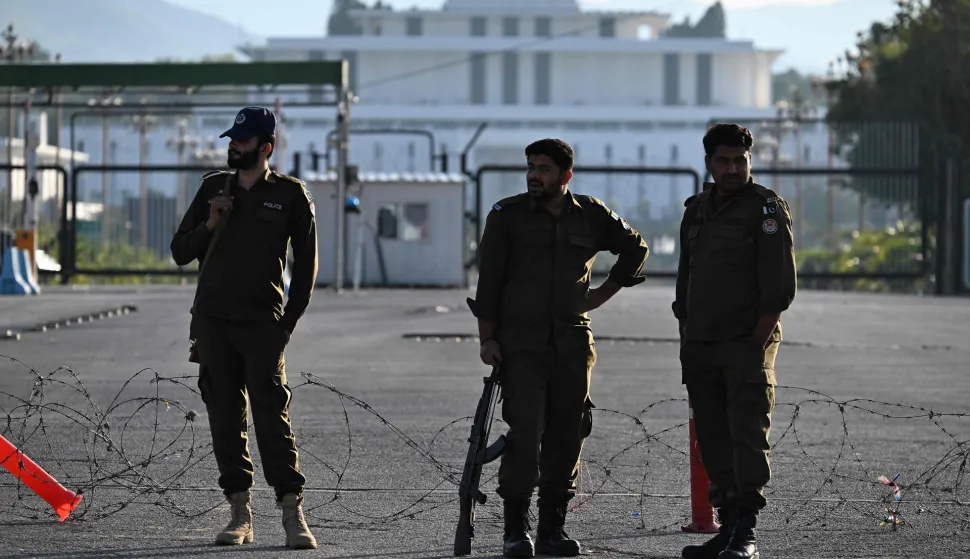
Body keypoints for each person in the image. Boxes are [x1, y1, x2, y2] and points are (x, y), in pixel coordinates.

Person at [472, 138, 649, 558]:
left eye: (544, 169)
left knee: (568, 434)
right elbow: (488, 282)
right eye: (531, 167)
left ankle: (553, 528)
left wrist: (601, 294)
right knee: (525, 432)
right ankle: (516, 529)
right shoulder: (507, 215)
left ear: (566, 175)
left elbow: (636, 248)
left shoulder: (591, 213)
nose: (534, 175)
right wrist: (487, 339)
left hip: (572, 342)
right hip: (522, 345)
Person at [170, 106, 319, 550]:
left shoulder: (290, 195)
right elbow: (179, 251)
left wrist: (285, 326)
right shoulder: (212, 189)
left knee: (272, 417)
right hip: (213, 323)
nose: (234, 145)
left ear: (266, 147)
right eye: (232, 139)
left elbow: (306, 268)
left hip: (262, 325)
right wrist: (210, 224)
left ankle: (292, 513)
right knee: (224, 418)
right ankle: (240, 514)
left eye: (243, 140)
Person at [672, 123, 797, 559]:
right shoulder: (696, 210)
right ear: (708, 162)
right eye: (723, 161)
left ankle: (746, 534)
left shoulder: (765, 209)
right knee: (712, 438)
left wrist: (754, 345)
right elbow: (685, 282)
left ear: (749, 160)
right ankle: (726, 528)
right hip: (702, 345)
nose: (732, 169)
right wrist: (687, 336)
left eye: (739, 161)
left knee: (746, 437)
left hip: (746, 344)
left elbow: (779, 288)